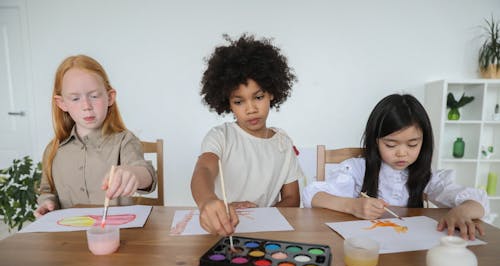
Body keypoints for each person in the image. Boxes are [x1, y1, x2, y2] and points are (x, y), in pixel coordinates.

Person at [303, 94, 489, 240]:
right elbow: (312, 195)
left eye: (412, 144)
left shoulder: (426, 175)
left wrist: (460, 212)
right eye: (391, 145)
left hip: (409, 251)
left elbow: (478, 202)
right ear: (375, 142)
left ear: (424, 142)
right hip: (365, 244)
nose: (402, 153)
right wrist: (352, 206)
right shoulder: (357, 169)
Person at [191, 34, 303, 236]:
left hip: (266, 233)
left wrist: (261, 216)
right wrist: (208, 201)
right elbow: (204, 169)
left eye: (258, 97)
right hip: (224, 230)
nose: (251, 109)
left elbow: (292, 198)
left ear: (272, 93)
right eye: (239, 101)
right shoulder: (220, 136)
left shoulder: (283, 144)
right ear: (228, 103)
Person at [35, 55, 156, 217]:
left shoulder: (124, 140)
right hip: (69, 236)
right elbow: (47, 191)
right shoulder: (53, 150)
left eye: (94, 96)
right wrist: (47, 203)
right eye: (75, 98)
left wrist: (134, 173)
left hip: (117, 234)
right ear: (62, 103)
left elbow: (146, 175)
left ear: (110, 97)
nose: (86, 106)